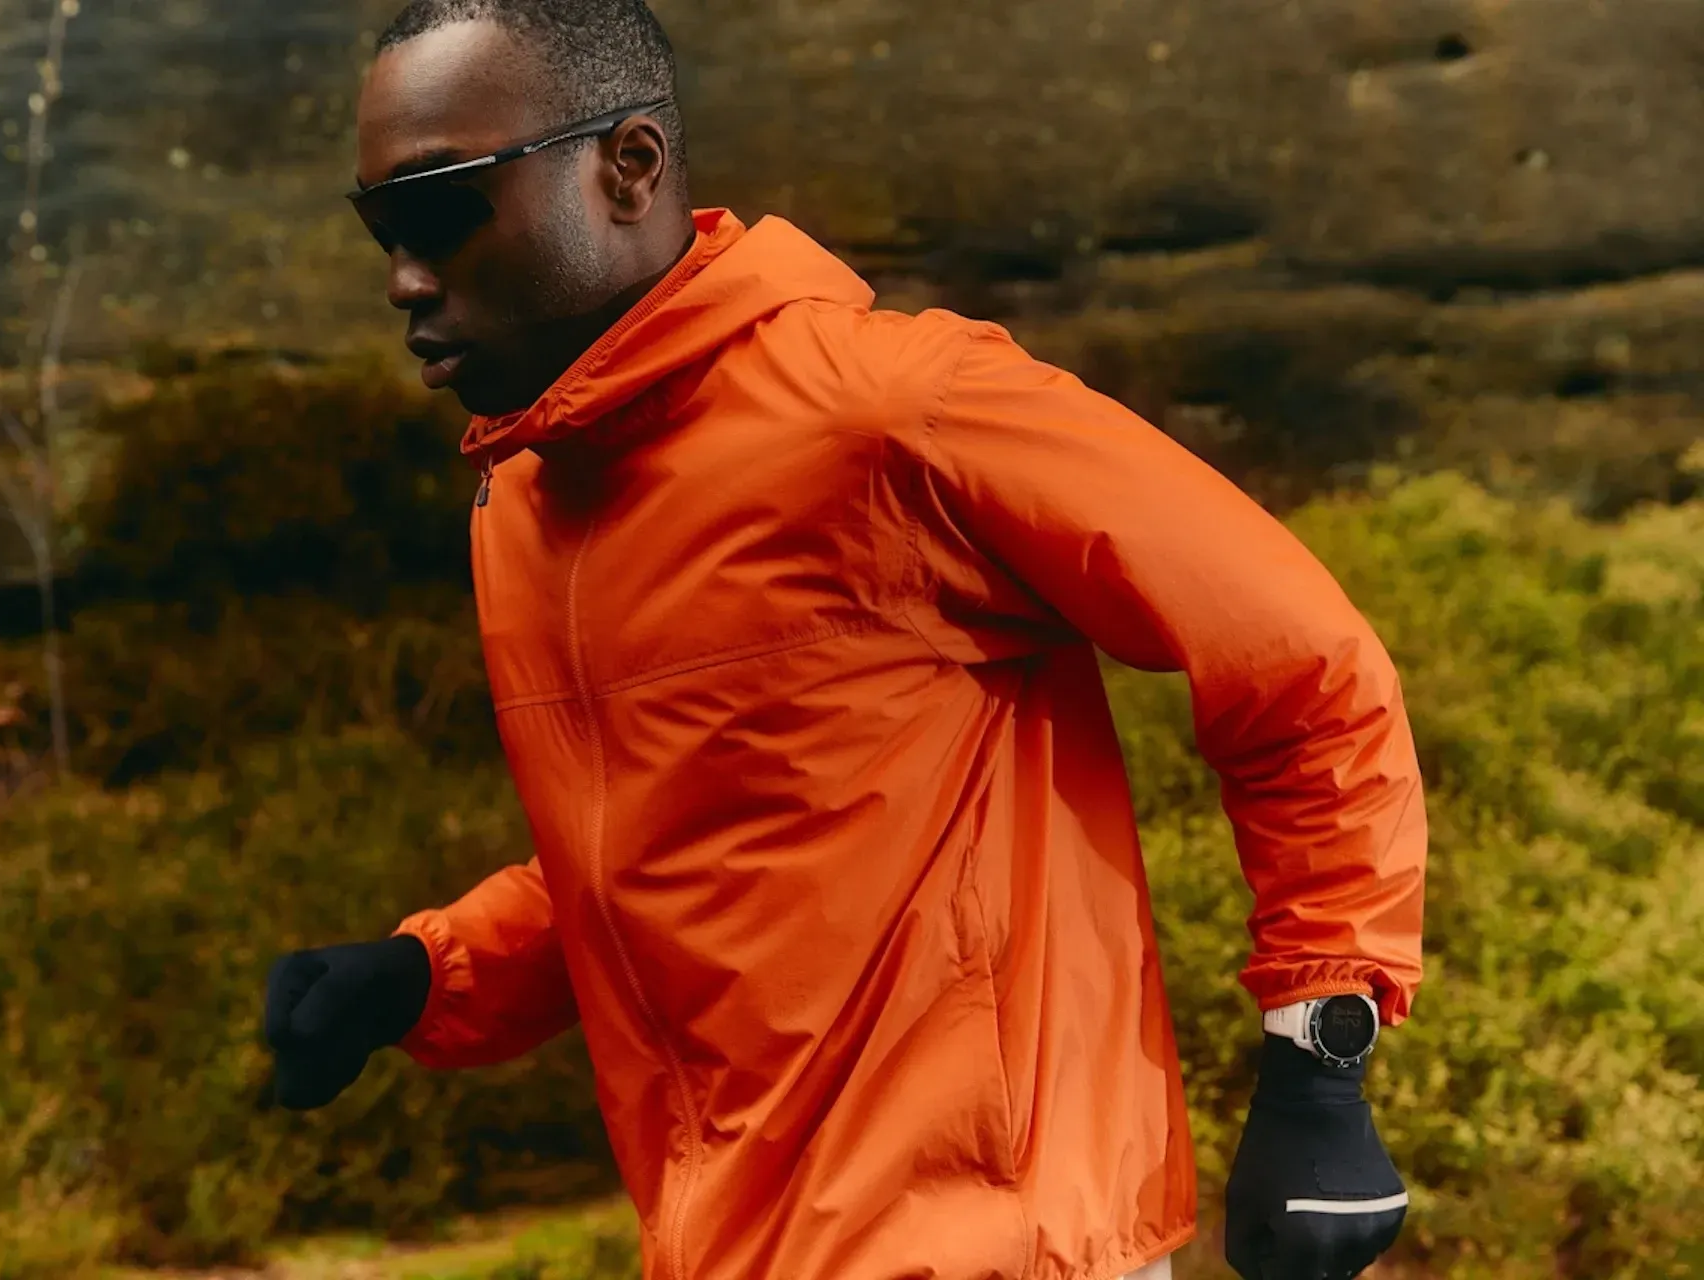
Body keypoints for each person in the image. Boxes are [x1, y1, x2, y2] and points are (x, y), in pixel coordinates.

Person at [262, 2, 1428, 1278]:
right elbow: (685, 839)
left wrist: (1320, 1058)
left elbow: (1305, 661)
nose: (404, 279)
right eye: (379, 231)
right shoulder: (528, 501)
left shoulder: (901, 408)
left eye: (440, 212)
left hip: (993, 1247)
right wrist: (427, 973)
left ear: (629, 166)